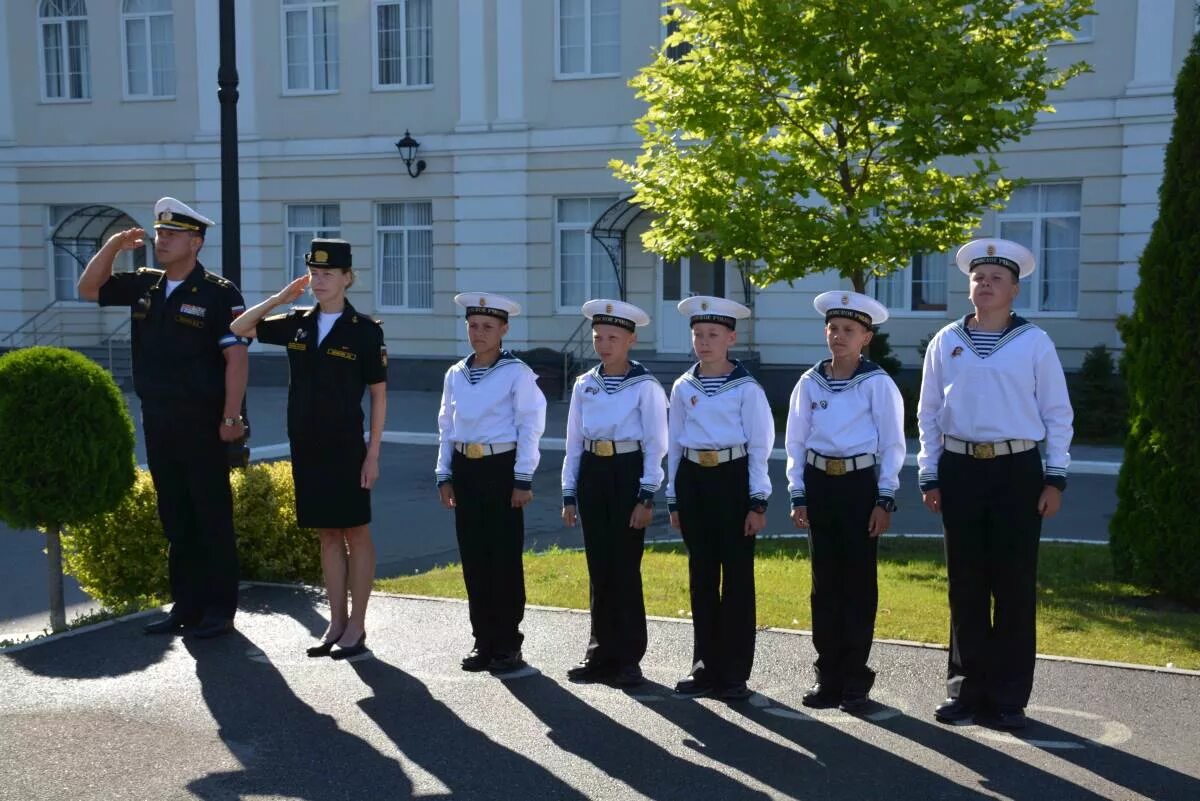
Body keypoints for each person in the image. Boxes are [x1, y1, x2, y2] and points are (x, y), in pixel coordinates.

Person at [918, 238, 1073, 730]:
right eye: (979, 277)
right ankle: (965, 691)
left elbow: (1057, 414)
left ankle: (1008, 696)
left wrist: (1056, 477)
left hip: (1016, 471)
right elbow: (928, 413)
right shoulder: (946, 341)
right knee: (966, 585)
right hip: (961, 469)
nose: (985, 284)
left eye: (996, 279)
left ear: (1014, 290)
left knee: (1012, 585)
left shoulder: (1034, 342)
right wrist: (930, 471)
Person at [77, 197, 247, 639]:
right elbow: (89, 289)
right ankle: (185, 607)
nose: (161, 241)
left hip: (204, 419)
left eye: (172, 235)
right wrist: (113, 245)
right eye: (159, 233)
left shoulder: (218, 292)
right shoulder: (145, 285)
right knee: (174, 514)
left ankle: (219, 610)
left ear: (196, 242)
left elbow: (236, 361)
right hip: (158, 416)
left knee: (210, 513)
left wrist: (232, 416)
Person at [231, 238, 387, 660]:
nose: (319, 281)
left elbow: (378, 395)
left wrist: (372, 454)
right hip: (307, 443)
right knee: (327, 534)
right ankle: (336, 622)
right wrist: (280, 298)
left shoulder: (365, 332)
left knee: (356, 530)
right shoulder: (297, 322)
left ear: (347, 278)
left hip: (345, 446)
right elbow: (239, 329)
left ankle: (358, 624)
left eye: (328, 274)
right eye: (314, 274)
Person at [784, 290, 905, 713]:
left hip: (858, 486)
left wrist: (884, 498)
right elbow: (796, 441)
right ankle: (828, 676)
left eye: (849, 330)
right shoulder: (809, 382)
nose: (839, 336)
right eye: (833, 328)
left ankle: (855, 679)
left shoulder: (877, 384)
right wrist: (797, 491)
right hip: (820, 484)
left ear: (865, 338)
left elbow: (892, 444)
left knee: (856, 584)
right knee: (824, 585)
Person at [666, 296, 773, 700]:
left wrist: (757, 501)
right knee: (702, 577)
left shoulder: (746, 389)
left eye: (713, 334)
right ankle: (704, 665)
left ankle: (734, 672)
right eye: (698, 334)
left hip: (732, 479)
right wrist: (674, 498)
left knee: (738, 581)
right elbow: (675, 445)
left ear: (731, 337)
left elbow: (760, 447)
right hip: (694, 478)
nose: (704, 342)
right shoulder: (683, 386)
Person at [436, 293, 547, 674]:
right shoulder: (456, 373)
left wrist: (523, 477)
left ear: (504, 330)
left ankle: (507, 643)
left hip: (501, 468)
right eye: (473, 325)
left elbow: (530, 425)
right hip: (466, 468)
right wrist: (445, 473)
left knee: (502, 557)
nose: (478, 333)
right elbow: (446, 428)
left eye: (487, 327)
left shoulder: (516, 372)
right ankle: (482, 640)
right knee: (474, 557)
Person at [562, 299, 667, 688]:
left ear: (630, 340)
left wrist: (645, 496)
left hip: (627, 474)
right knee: (599, 567)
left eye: (613, 337)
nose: (604, 345)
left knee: (624, 567)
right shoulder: (585, 383)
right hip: (593, 472)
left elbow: (657, 444)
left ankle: (627, 658)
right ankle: (599, 653)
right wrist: (569, 492)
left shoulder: (645, 386)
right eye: (598, 337)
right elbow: (574, 440)